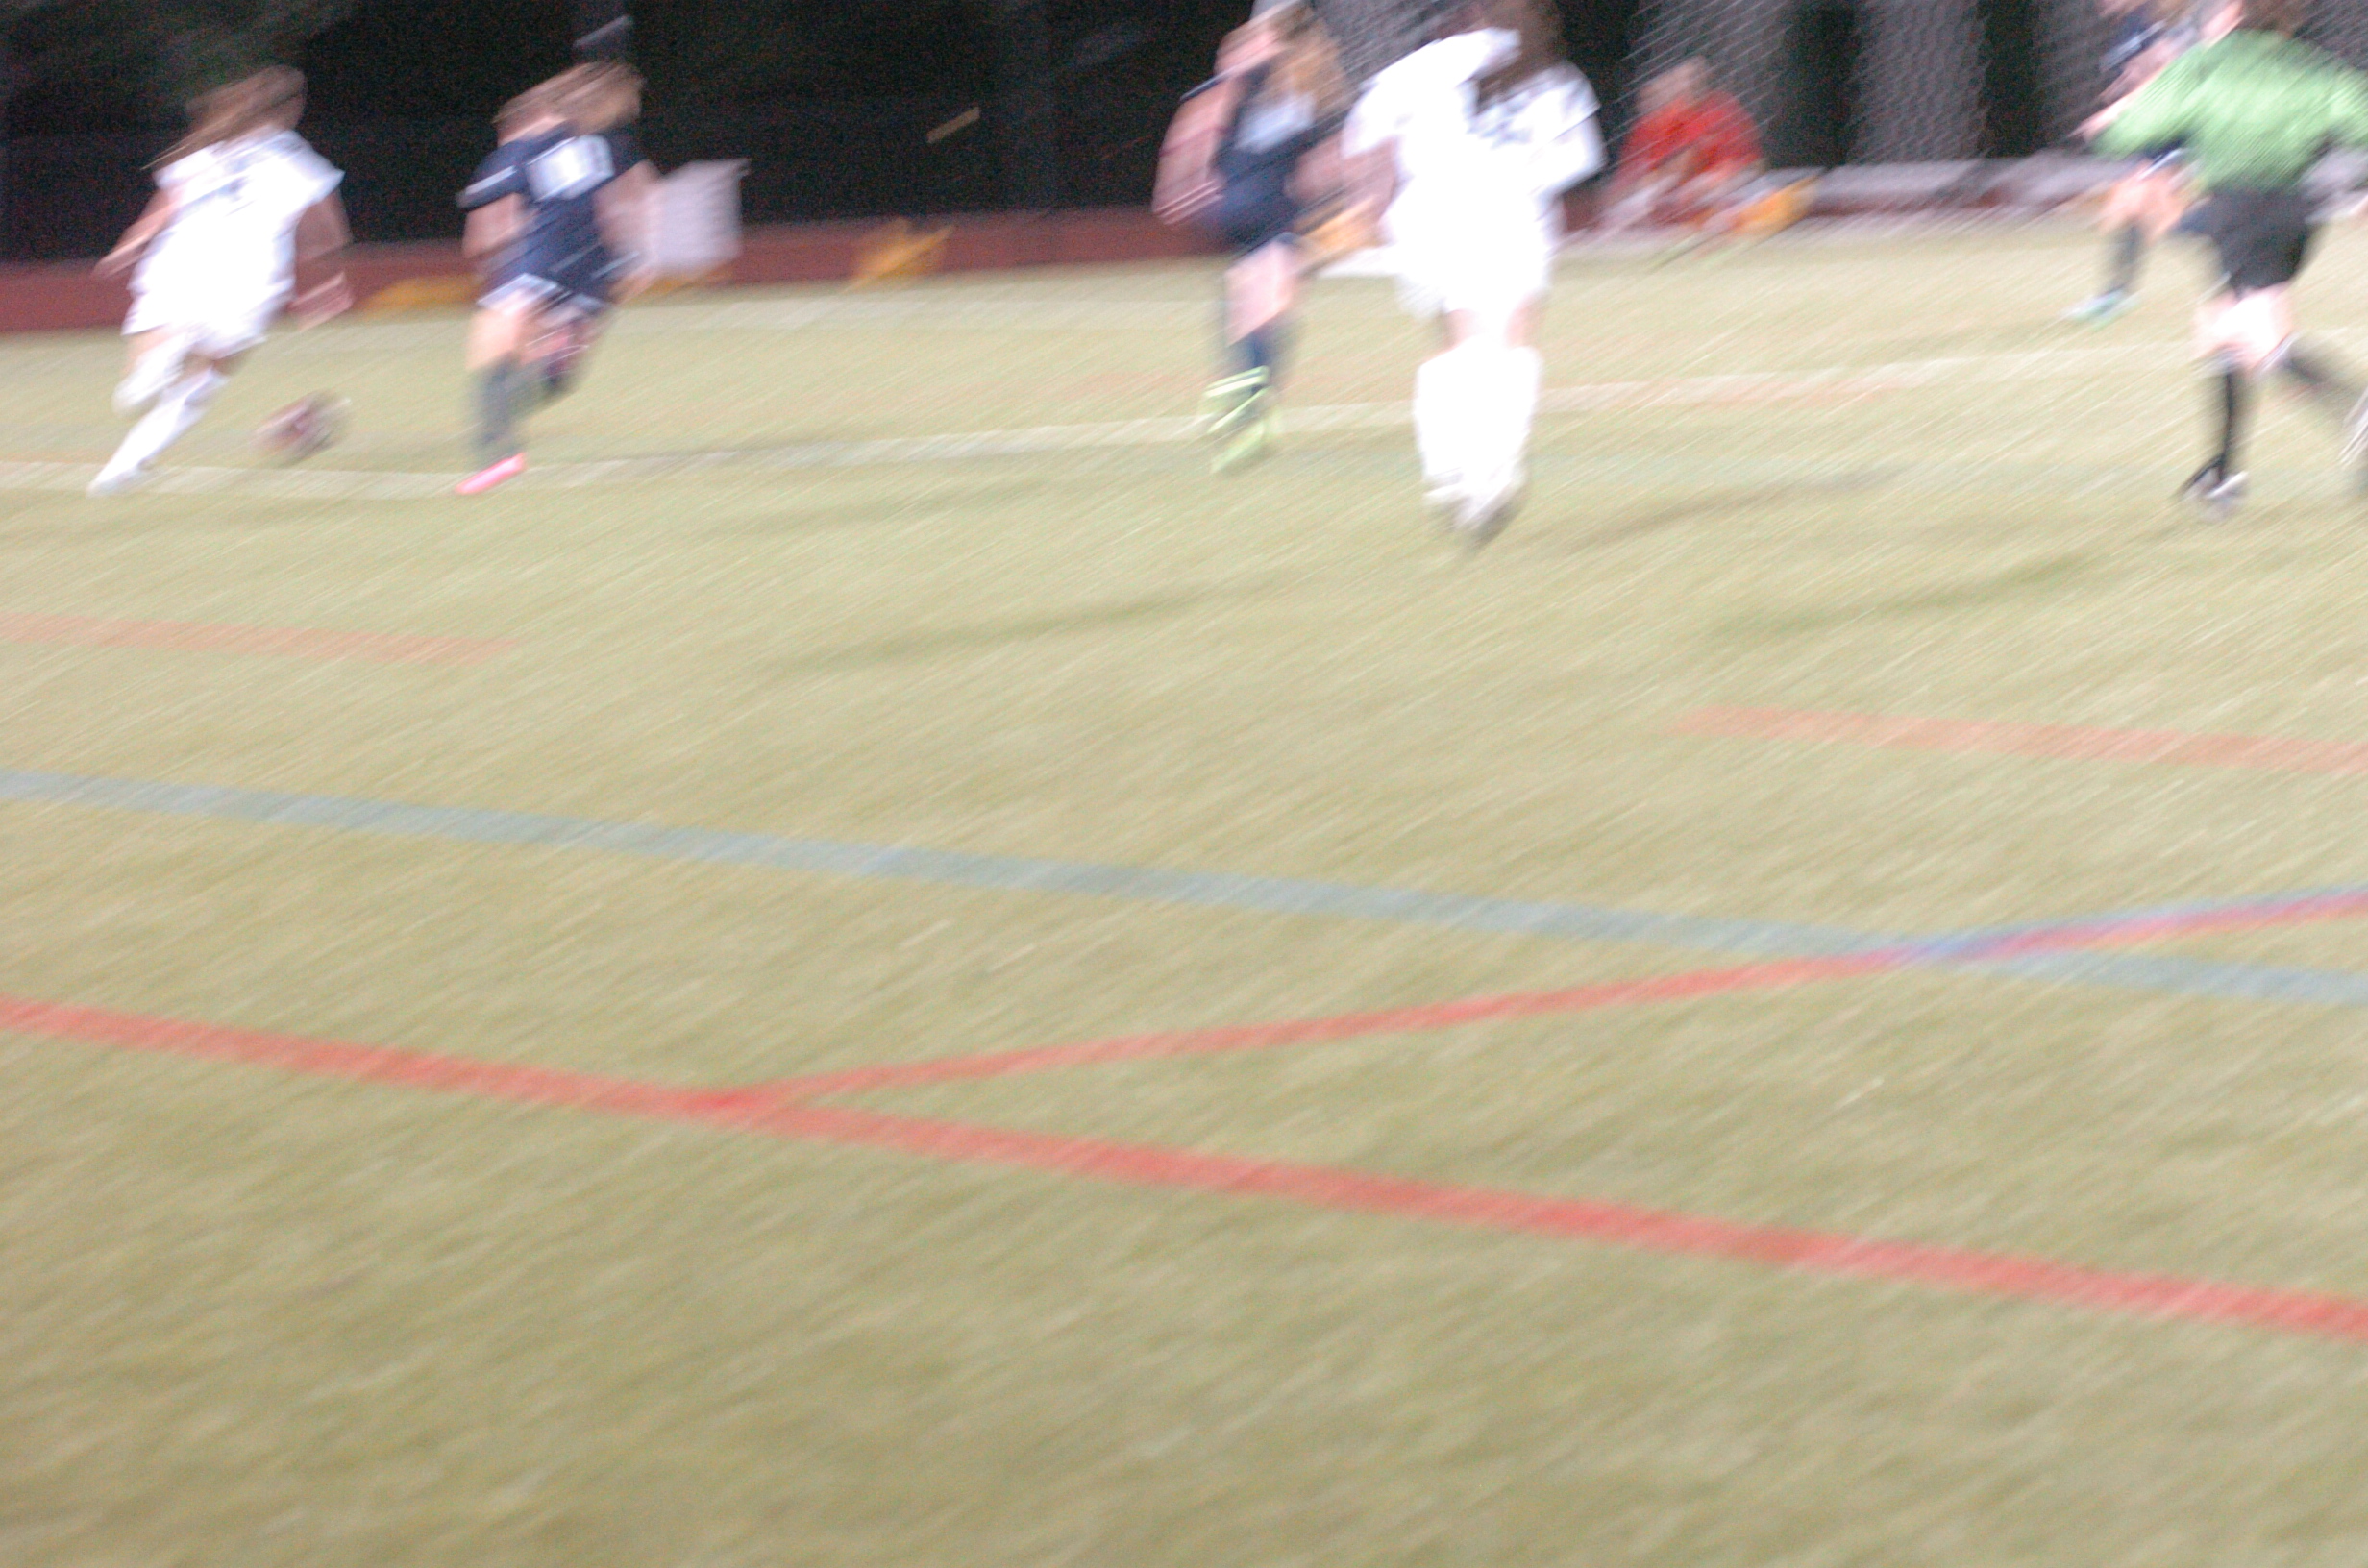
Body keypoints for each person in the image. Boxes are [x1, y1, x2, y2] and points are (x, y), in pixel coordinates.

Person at [2089, 0, 2368, 514]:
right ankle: (2221, 473)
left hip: (2237, 210)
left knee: (2254, 337)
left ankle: (2354, 406)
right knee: (2220, 329)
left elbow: (2130, 134)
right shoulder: (2315, 67)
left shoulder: (2205, 64)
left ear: (2235, 14)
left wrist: (2114, 123)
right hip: (2294, 213)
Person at [1342, 0, 1603, 544]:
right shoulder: (1552, 74)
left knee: (1457, 344)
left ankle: (1446, 474)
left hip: (1427, 217)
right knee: (1509, 343)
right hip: (1510, 215)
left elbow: (1365, 127)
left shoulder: (1429, 64)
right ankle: (1494, 476)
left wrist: (1368, 197)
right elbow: (1575, 158)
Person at [88, 67, 349, 497]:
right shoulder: (294, 156)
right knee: (205, 379)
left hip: (179, 261)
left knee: (142, 377)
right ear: (292, 108)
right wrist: (328, 278)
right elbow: (324, 224)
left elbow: (167, 203)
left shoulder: (207, 150)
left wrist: (132, 241)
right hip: (249, 273)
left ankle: (161, 359)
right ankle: (124, 466)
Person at [1153, 0, 1352, 472]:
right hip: (1263, 209)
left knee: (1255, 298)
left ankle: (1241, 399)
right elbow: (1325, 161)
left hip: (1247, 208)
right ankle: (1252, 404)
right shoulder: (1295, 85)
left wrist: (1180, 177)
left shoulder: (1274, 81)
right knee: (1267, 301)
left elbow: (1201, 117)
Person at [455, 62, 656, 495]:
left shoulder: (521, 149)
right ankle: (555, 357)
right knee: (557, 369)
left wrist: (490, 263)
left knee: (490, 349)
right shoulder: (606, 145)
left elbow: (488, 222)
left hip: (543, 255)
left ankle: (498, 454)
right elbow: (635, 189)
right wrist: (636, 256)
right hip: (596, 262)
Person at [2064, 0, 2203, 324]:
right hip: (2155, 131)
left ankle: (2237, 253)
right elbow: (2143, 71)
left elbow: (2169, 74)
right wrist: (2124, 86)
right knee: (2137, 209)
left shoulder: (2157, 19)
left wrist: (2117, 108)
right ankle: (2116, 294)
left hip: (2176, 129)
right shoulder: (2132, 24)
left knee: (2144, 204)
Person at [1604, 58, 1761, 235]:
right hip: (1688, 183)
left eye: (1693, 77)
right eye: (1682, 79)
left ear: (1705, 79)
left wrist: (1704, 182)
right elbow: (1664, 166)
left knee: (1708, 194)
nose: (1688, 83)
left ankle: (1716, 220)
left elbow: (1740, 164)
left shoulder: (1724, 108)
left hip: (1728, 177)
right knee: (1645, 198)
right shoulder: (1671, 115)